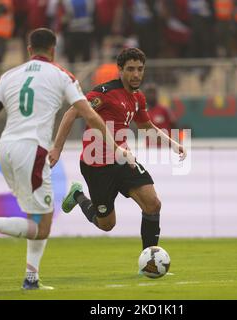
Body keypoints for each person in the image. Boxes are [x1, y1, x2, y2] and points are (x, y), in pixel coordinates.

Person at [0, 28, 132, 290]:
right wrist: (116, 147)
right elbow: (89, 115)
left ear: (29, 50)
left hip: (5, 150)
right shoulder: (62, 76)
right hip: (33, 151)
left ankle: (31, 279)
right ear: (54, 49)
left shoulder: (9, 76)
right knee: (42, 226)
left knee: (34, 218)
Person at [48, 48, 186, 254]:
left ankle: (149, 260)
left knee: (153, 203)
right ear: (120, 70)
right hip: (96, 165)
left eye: (140, 69)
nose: (136, 74)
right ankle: (78, 196)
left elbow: (146, 126)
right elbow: (71, 113)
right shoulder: (104, 94)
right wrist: (57, 149)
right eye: (131, 69)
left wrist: (173, 143)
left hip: (123, 160)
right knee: (106, 224)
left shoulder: (138, 98)